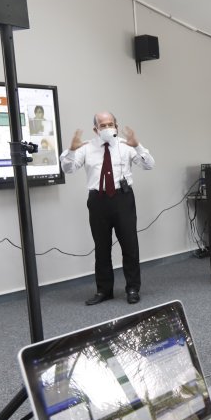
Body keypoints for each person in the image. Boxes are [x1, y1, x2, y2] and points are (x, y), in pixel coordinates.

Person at [60, 112, 155, 306]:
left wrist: (137, 145)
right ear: (96, 129)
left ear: (116, 126)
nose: (107, 127)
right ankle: (104, 290)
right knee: (101, 248)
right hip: (98, 200)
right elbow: (68, 170)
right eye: (102, 125)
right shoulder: (85, 147)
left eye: (110, 124)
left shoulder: (126, 146)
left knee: (130, 246)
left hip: (123, 199)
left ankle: (132, 288)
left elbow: (149, 165)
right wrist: (70, 150)